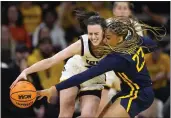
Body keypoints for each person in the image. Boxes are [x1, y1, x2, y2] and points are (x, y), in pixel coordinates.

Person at [35, 17, 165, 118]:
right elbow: (152, 45)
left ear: (119, 39)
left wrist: (55, 88)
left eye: (108, 38)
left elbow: (84, 76)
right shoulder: (132, 41)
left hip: (139, 94)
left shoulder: (116, 58)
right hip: (127, 91)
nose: (104, 41)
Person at [10, 11, 118, 118]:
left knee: (88, 116)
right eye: (90, 34)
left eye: (96, 34)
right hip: (74, 71)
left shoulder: (112, 45)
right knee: (66, 113)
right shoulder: (82, 44)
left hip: (94, 78)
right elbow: (51, 60)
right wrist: (26, 71)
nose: (93, 37)